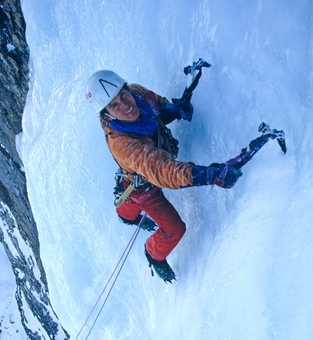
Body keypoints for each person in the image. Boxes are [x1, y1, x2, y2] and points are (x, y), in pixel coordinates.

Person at [85, 69, 285, 282]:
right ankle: (153, 253)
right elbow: (161, 170)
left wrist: (174, 109)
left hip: (138, 178)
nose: (125, 104)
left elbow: (157, 109)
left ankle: (128, 215)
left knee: (129, 196)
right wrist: (209, 175)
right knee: (174, 229)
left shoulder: (137, 93)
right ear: (107, 114)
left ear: (127, 88)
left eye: (123, 95)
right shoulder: (121, 143)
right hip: (143, 185)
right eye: (115, 105)